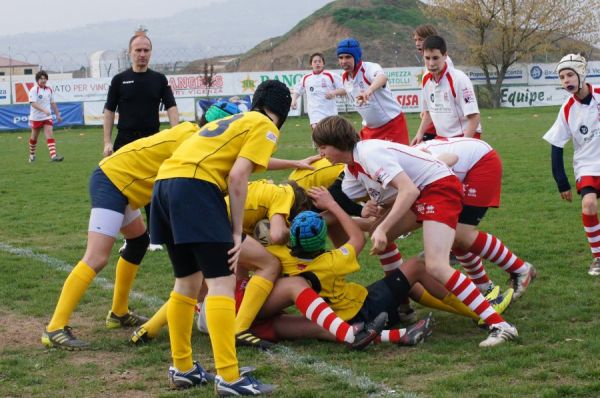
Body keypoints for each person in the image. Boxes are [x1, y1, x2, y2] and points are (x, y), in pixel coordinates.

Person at [41, 102, 242, 351]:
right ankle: (55, 327)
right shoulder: (196, 143)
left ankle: (119, 312)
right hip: (112, 181)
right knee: (96, 257)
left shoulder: (193, 134)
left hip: (122, 183)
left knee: (138, 242)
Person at [312, 115, 518, 347]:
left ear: (338, 142)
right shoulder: (353, 167)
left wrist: (382, 227)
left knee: (436, 265)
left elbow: (408, 191)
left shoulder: (369, 154)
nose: (321, 154)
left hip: (439, 189)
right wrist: (311, 217)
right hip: (426, 191)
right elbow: (342, 204)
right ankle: (403, 305)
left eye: (323, 147)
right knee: (381, 232)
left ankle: (500, 324)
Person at [149, 80, 290, 394]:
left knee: (186, 282)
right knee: (222, 283)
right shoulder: (266, 125)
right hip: (195, 188)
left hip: (164, 185)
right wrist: (237, 231)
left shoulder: (236, 119)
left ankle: (183, 368)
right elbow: (238, 176)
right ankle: (230, 376)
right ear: (282, 112)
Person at [416, 137, 536, 299]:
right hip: (464, 164)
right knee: (452, 231)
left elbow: (450, 159)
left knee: (460, 234)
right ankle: (483, 287)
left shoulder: (404, 164)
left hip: (480, 162)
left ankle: (520, 269)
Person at [103, 33, 179, 252]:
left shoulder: (159, 79)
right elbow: (109, 111)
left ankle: (155, 237)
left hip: (152, 141)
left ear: (150, 53)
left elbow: (171, 106)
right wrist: (107, 142)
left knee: (153, 190)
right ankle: (133, 236)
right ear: (130, 53)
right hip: (125, 141)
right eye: (138, 50)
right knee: (125, 191)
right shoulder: (119, 80)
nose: (142, 54)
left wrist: (176, 135)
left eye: (146, 50)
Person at [543, 53, 600, 276]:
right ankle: (598, 257)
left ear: (581, 74)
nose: (566, 81)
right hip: (586, 165)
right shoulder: (566, 109)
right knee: (588, 205)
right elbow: (556, 146)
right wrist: (562, 183)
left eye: (569, 75)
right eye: (562, 77)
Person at [336, 37, 409, 144]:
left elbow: (382, 77)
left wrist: (368, 91)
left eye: (348, 57)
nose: (344, 61)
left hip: (392, 125)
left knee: (398, 160)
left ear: (356, 57)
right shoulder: (344, 77)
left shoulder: (369, 68)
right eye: (341, 58)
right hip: (369, 130)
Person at [411, 36, 482, 145]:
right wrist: (420, 133)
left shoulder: (459, 79)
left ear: (445, 56)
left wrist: (464, 144)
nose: (431, 63)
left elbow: (474, 117)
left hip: (465, 136)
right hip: (442, 138)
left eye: (435, 58)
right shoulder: (425, 79)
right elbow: (428, 112)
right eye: (427, 58)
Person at [412, 25, 454, 141]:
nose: (417, 43)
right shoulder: (430, 63)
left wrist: (431, 110)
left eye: (420, 39)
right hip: (435, 117)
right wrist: (425, 110)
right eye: (415, 40)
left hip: (441, 119)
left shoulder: (444, 62)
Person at [291, 53, 344, 130]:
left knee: (331, 140)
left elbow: (345, 89)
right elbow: (297, 91)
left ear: (323, 64)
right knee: (319, 140)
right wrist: (293, 100)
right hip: (315, 117)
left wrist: (334, 92)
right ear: (311, 64)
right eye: (315, 62)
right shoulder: (306, 78)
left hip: (331, 115)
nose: (317, 63)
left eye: (319, 61)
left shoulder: (331, 76)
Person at [28, 70, 63, 162]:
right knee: (34, 137)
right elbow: (33, 103)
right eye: (41, 78)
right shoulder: (34, 90)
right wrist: (44, 110)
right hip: (36, 118)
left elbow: (53, 103)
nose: (43, 80)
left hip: (47, 117)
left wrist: (57, 114)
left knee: (50, 135)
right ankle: (32, 155)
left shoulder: (49, 90)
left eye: (44, 78)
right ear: (37, 80)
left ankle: (53, 156)